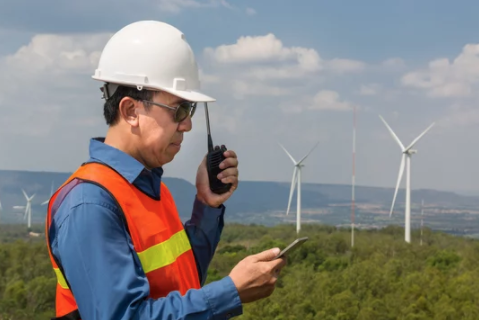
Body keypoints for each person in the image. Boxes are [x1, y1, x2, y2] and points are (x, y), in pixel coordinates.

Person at [45, 20, 287, 320]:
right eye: (179, 110)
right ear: (131, 111)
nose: (187, 124)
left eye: (190, 110)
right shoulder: (90, 205)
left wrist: (207, 207)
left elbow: (181, 280)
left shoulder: (150, 187)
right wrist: (231, 293)